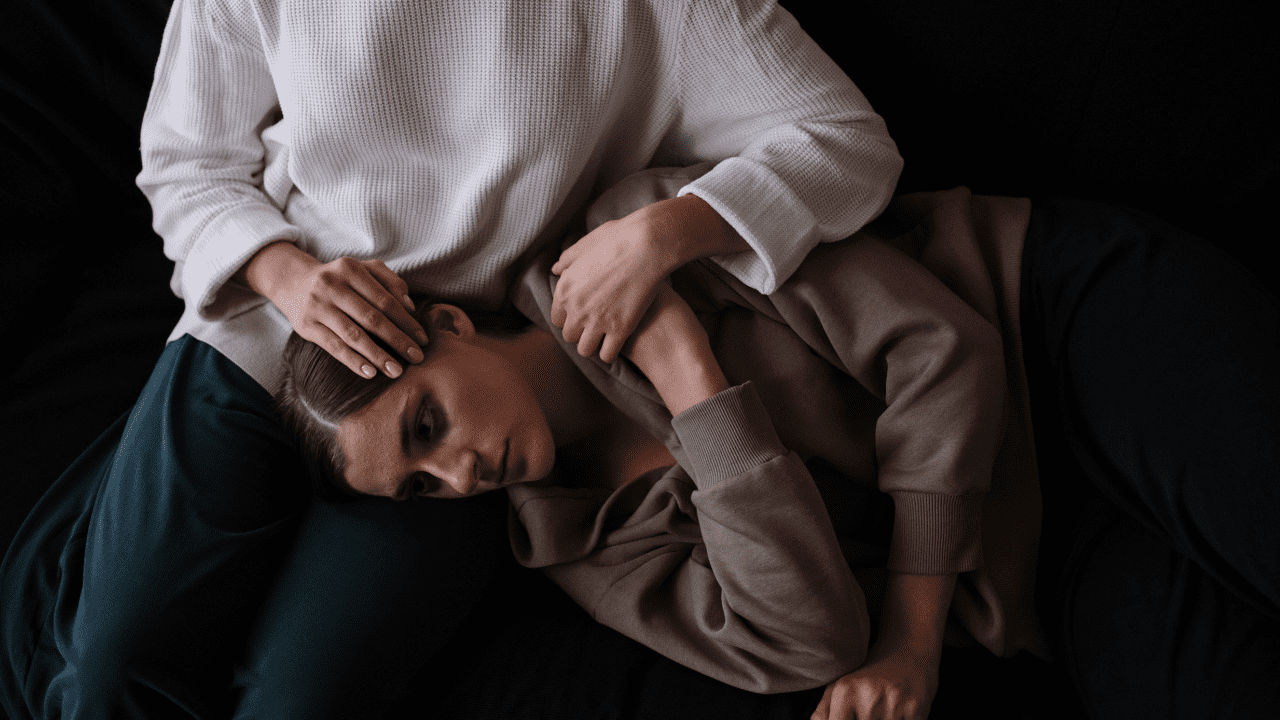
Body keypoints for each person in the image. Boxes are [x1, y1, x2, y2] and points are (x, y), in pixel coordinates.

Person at [0, 1, 903, 718]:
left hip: (452, 385)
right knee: (104, 671)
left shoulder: (660, 10)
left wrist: (662, 236)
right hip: (264, 324)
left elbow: (851, 143)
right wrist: (287, 277)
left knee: (300, 701)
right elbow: (183, 164)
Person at [276, 163, 1280, 720]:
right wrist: (689, 378)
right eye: (420, 487)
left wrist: (914, 637)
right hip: (1030, 567)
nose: (459, 472)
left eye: (426, 422)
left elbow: (942, 352)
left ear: (447, 329)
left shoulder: (629, 233)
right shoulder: (575, 543)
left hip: (1050, 325)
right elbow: (807, 643)